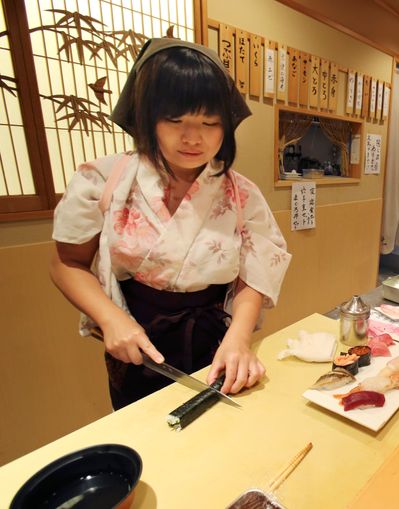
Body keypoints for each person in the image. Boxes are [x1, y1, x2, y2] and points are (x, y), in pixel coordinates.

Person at [49, 39, 291, 410]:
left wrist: (240, 338)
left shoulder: (242, 194)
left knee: (220, 439)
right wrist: (110, 318)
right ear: (148, 117)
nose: (193, 138)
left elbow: (254, 274)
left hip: (218, 341)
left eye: (210, 123)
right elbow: (67, 263)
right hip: (136, 342)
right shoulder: (102, 180)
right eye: (175, 120)